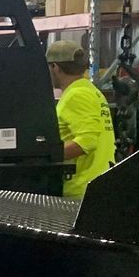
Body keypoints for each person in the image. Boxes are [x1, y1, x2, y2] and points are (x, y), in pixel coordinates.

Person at [48, 38, 116, 198]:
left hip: (82, 190)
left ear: (55, 67)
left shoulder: (76, 95)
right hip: (95, 185)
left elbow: (87, 141)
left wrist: (44, 157)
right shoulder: (91, 91)